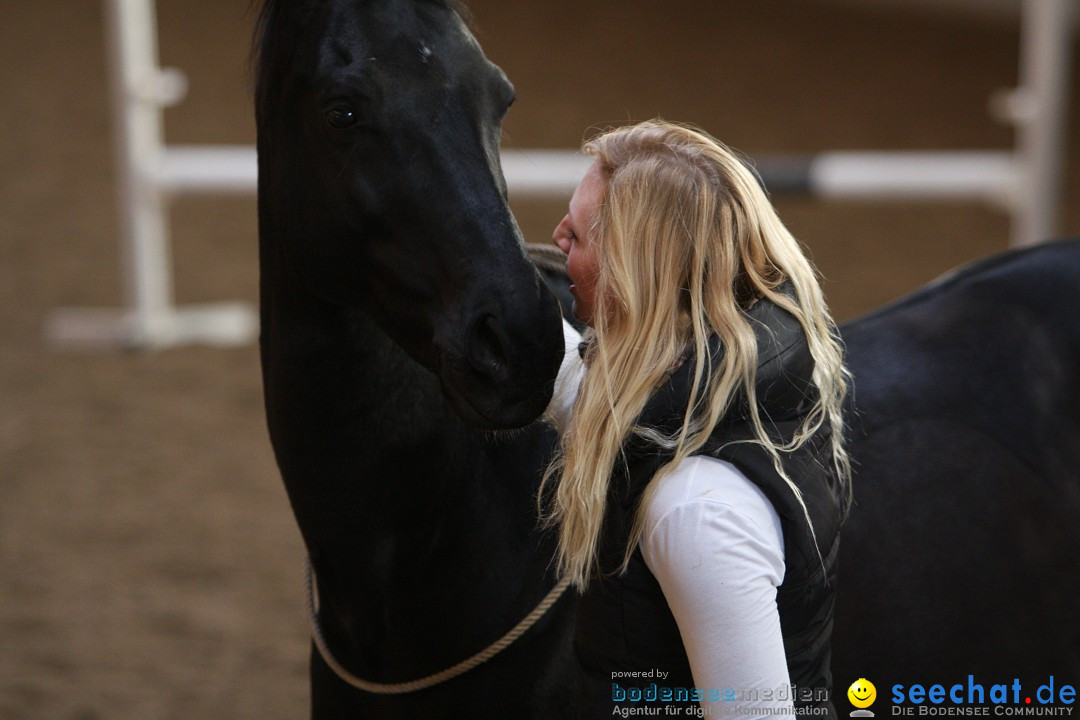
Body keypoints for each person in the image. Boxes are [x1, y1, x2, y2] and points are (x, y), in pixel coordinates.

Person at [542, 120, 852, 718]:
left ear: (636, 277)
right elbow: (575, 390)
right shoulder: (719, 396)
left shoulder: (696, 507)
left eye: (577, 233)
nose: (555, 238)